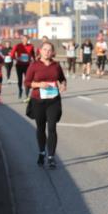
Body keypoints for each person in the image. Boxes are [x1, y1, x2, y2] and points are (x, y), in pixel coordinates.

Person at [24, 39, 67, 168]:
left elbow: (62, 79)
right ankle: (42, 152)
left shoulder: (56, 65)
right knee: (41, 128)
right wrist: (38, 84)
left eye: (49, 50)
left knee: (52, 128)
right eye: (45, 50)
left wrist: (63, 85)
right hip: (38, 101)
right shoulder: (34, 65)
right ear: (40, 51)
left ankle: (51, 157)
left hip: (53, 100)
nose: (47, 52)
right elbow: (26, 82)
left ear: (52, 52)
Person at [12, 36, 36, 101]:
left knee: (27, 80)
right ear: (22, 40)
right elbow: (12, 54)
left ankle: (27, 95)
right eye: (24, 39)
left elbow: (33, 54)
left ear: (28, 40)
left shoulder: (31, 46)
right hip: (19, 65)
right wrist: (16, 58)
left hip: (27, 65)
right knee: (20, 80)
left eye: (26, 39)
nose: (25, 41)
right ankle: (20, 89)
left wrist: (34, 60)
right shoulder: (18, 45)